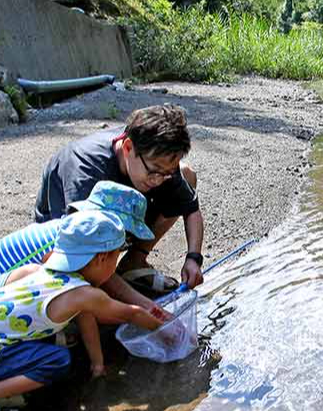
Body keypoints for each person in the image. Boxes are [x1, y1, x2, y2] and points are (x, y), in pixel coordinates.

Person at [0, 211, 180, 411]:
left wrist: (97, 365)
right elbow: (130, 313)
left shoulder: (41, 272)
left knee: (38, 343)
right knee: (56, 360)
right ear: (103, 257)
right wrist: (165, 329)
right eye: (116, 257)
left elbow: (86, 316)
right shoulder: (84, 293)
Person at [34, 104, 205, 296]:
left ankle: (133, 263)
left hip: (109, 222)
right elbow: (82, 247)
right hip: (67, 242)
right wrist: (142, 306)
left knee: (186, 175)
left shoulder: (156, 162)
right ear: (128, 147)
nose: (158, 180)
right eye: (154, 171)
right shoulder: (86, 170)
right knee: (94, 294)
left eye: (165, 173)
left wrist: (193, 258)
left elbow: (191, 209)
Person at [0, 181, 158, 312]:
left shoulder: (71, 230)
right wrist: (139, 308)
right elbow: (97, 285)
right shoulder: (66, 243)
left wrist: (143, 305)